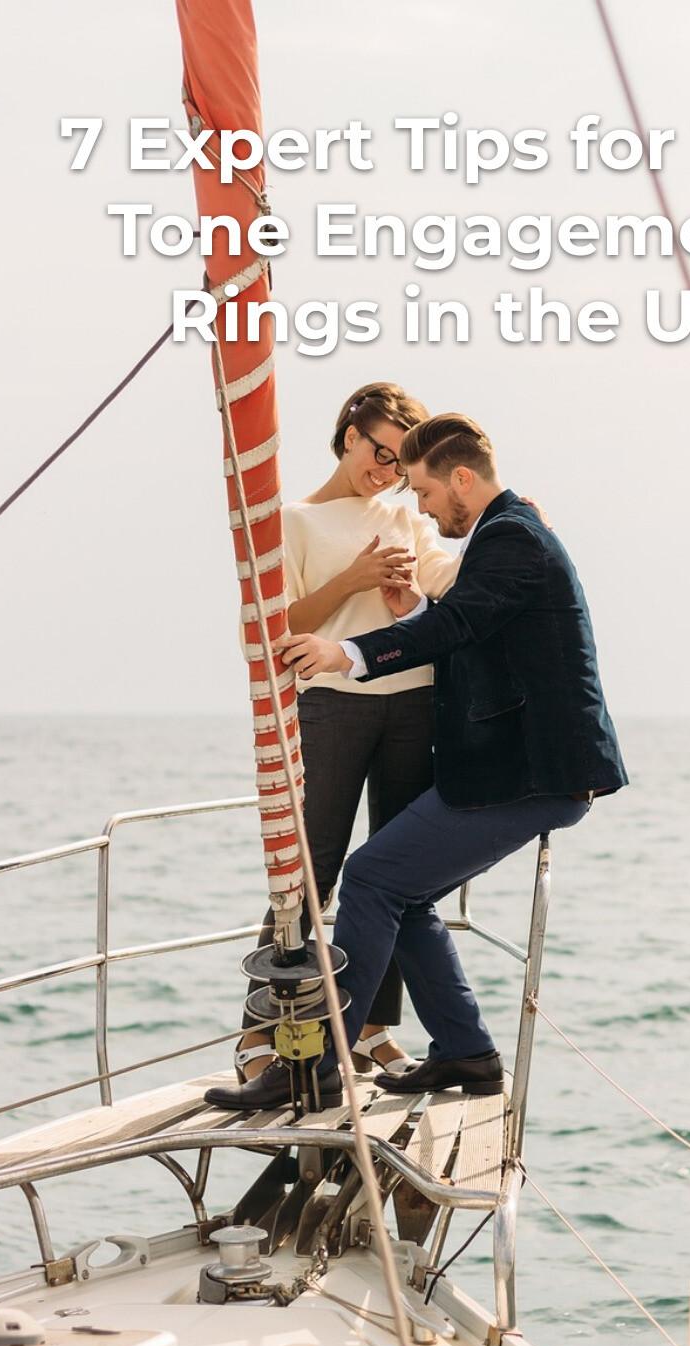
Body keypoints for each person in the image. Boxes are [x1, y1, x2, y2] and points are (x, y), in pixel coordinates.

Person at [210, 413, 626, 1111]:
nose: (421, 507)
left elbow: (456, 624)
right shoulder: (509, 533)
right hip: (516, 769)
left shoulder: (512, 538)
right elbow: (468, 622)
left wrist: (351, 652)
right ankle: (465, 1052)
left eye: (427, 493)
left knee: (372, 877)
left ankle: (317, 1064)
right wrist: (404, 610)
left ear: (463, 478)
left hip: (526, 774)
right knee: (404, 895)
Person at [212, 384, 460, 1101]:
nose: (386, 471)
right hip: (333, 707)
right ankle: (259, 1034)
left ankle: (377, 1028)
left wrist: (508, 531)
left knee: (396, 872)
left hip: (414, 702)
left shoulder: (406, 515)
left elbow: (446, 578)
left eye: (399, 460)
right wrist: (351, 579)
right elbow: (268, 624)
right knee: (310, 869)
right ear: (349, 435)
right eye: (380, 453)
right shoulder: (292, 522)